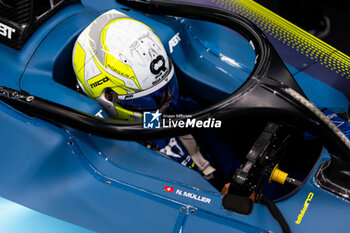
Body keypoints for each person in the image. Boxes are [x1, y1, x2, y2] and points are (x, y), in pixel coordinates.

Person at [72, 9, 241, 190]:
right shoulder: (113, 156)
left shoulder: (182, 108)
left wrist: (236, 179)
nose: (165, 102)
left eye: (166, 89)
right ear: (109, 97)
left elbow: (215, 139)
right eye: (149, 98)